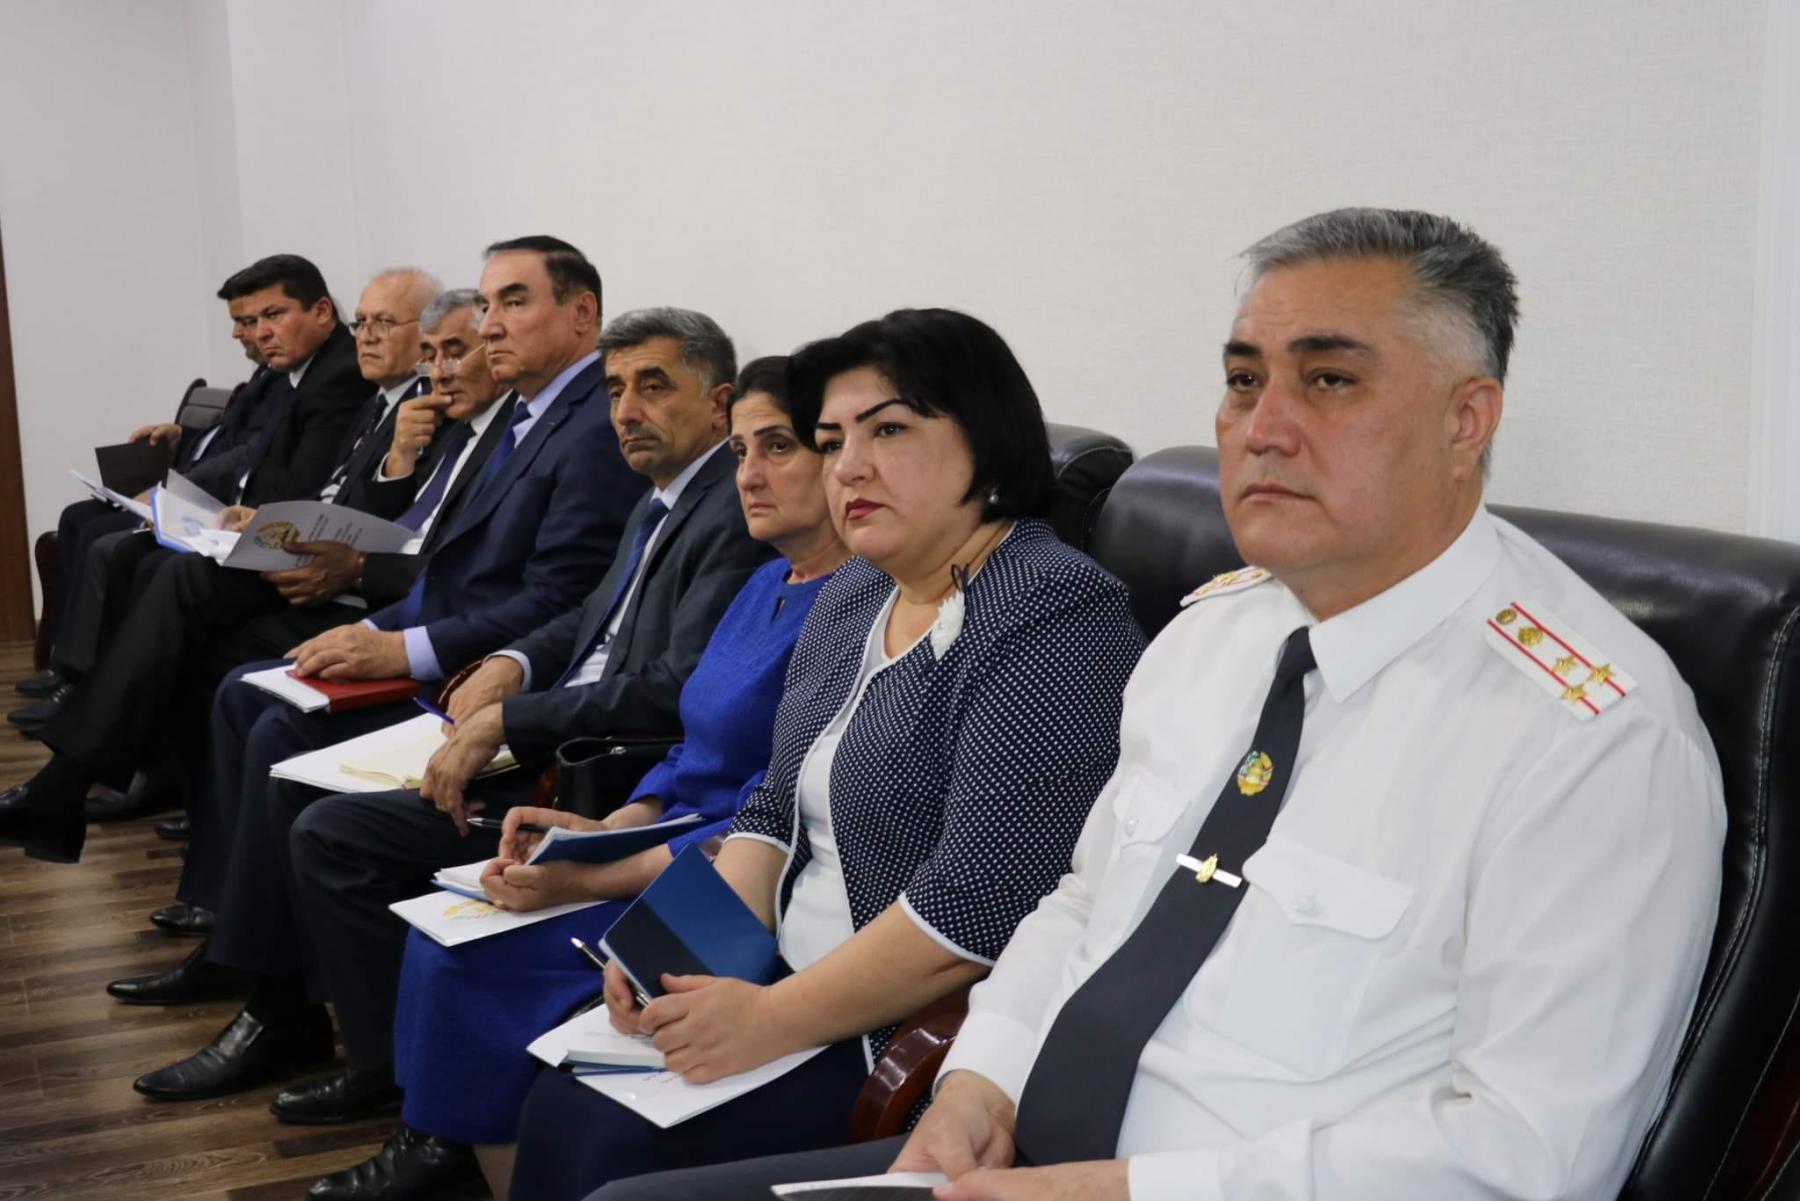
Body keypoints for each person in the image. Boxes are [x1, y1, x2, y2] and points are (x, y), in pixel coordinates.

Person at [595, 210, 1727, 1201]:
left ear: (1466, 420)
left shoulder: (1591, 737)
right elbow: (1084, 901)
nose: (1263, 426)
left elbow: (1528, 1155)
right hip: (1024, 1159)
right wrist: (980, 1082)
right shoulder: (1211, 635)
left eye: (1329, 380)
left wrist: (1128, 1188)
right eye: (1243, 380)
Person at [506, 307, 1146, 1201]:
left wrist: (768, 1018)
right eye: (834, 439)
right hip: (775, 971)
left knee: (604, 1138)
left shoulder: (1054, 612)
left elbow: (979, 903)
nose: (847, 467)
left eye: (889, 430)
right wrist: (671, 954)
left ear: (989, 444)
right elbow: (772, 808)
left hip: (890, 1031)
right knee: (562, 1090)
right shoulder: (856, 590)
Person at [124, 304, 762, 1109]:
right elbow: (587, 617)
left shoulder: (729, 510)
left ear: (718, 404)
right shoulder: (661, 495)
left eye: (653, 386)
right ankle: (279, 1008)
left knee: (328, 828)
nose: (627, 411)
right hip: (538, 720)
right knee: (285, 765)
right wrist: (512, 661)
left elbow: (671, 685)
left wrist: (510, 717)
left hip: (597, 768)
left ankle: (384, 1070)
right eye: (615, 390)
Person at [306, 355, 851, 1201]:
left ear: (836, 458)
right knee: (446, 930)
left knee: (475, 960)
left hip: (725, 875)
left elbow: (770, 813)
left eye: (779, 447)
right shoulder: (761, 582)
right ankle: (448, 1147)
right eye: (742, 451)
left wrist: (593, 871)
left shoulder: (852, 610)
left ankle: (462, 1158)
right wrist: (606, 825)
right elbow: (691, 741)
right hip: (664, 835)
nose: (749, 474)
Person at [0, 267, 441, 859]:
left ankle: (73, 781)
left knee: (181, 579)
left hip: (357, 590)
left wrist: (350, 520)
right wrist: (259, 518)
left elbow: (391, 525)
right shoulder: (379, 398)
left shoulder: (409, 403)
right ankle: (106, 787)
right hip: (316, 557)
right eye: (362, 322)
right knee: (158, 572)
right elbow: (313, 483)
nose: (365, 336)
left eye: (384, 323)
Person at [13, 254, 369, 735]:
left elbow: (292, 478)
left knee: (138, 556)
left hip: (282, 540)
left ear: (323, 311)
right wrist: (184, 452)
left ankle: (102, 714)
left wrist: (205, 504)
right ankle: (92, 700)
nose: (257, 332)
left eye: (271, 315)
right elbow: (248, 443)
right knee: (111, 537)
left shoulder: (337, 373)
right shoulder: (287, 368)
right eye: (251, 321)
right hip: (243, 517)